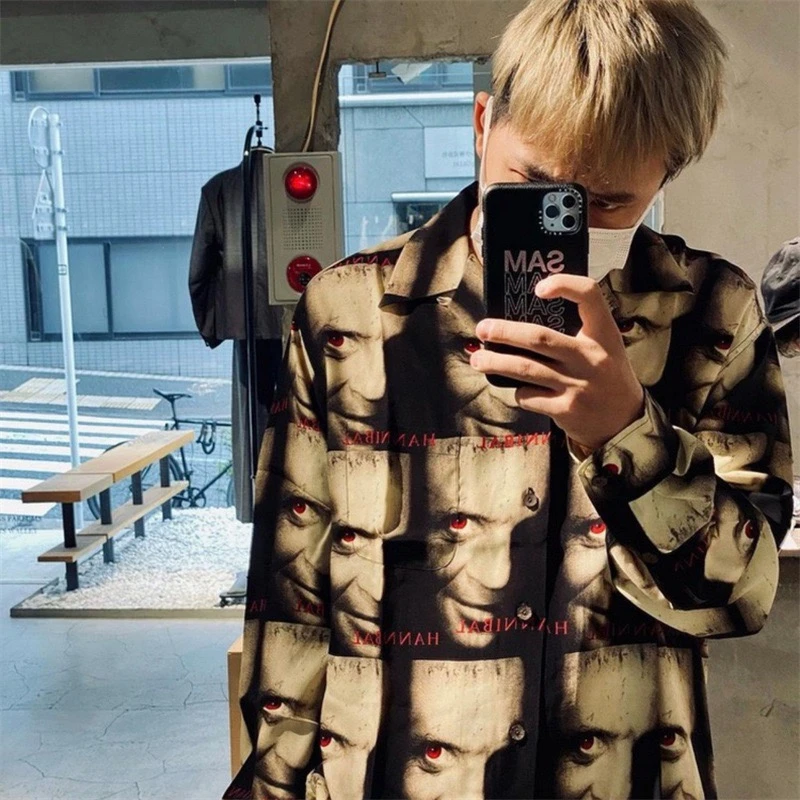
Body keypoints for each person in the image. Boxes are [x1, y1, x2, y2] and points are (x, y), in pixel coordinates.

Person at [224, 1, 794, 798]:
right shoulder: (349, 315)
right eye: (531, 184)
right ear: (482, 124)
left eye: (606, 204)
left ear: (663, 177)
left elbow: (741, 596)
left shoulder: (716, 317)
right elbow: (292, 603)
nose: (566, 224)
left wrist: (627, 435)